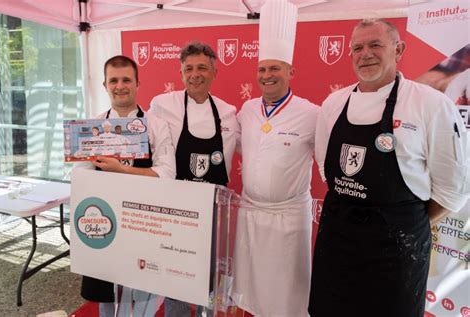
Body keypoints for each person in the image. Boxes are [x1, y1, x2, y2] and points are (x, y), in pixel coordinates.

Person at [309, 19, 469, 317]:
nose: (365, 53)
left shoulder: (431, 105)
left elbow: (451, 191)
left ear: (398, 50)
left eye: (375, 45)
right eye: (357, 47)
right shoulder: (333, 104)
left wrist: (403, 225)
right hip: (338, 241)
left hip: (396, 251)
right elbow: (324, 169)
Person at [232, 0, 319, 316]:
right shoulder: (248, 109)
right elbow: (241, 146)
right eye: (262, 69)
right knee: (251, 291)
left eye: (275, 69)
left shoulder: (311, 114)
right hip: (250, 213)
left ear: (291, 71)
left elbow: (326, 161)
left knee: (287, 296)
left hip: (288, 219)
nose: (267, 75)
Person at [79, 55, 175, 317]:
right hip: (105, 219)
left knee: (144, 289)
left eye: (126, 80)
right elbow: (80, 177)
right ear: (105, 85)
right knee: (105, 292)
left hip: (144, 218)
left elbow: (167, 174)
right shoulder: (92, 128)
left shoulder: (156, 124)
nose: (120, 86)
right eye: (114, 80)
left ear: (137, 83)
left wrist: (121, 170)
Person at [148, 42, 240, 316]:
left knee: (209, 276)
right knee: (175, 275)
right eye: (188, 68)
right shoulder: (163, 105)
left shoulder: (229, 113)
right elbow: (140, 136)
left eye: (202, 67)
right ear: (180, 73)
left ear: (214, 72)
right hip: (176, 209)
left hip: (214, 212)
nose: (195, 74)